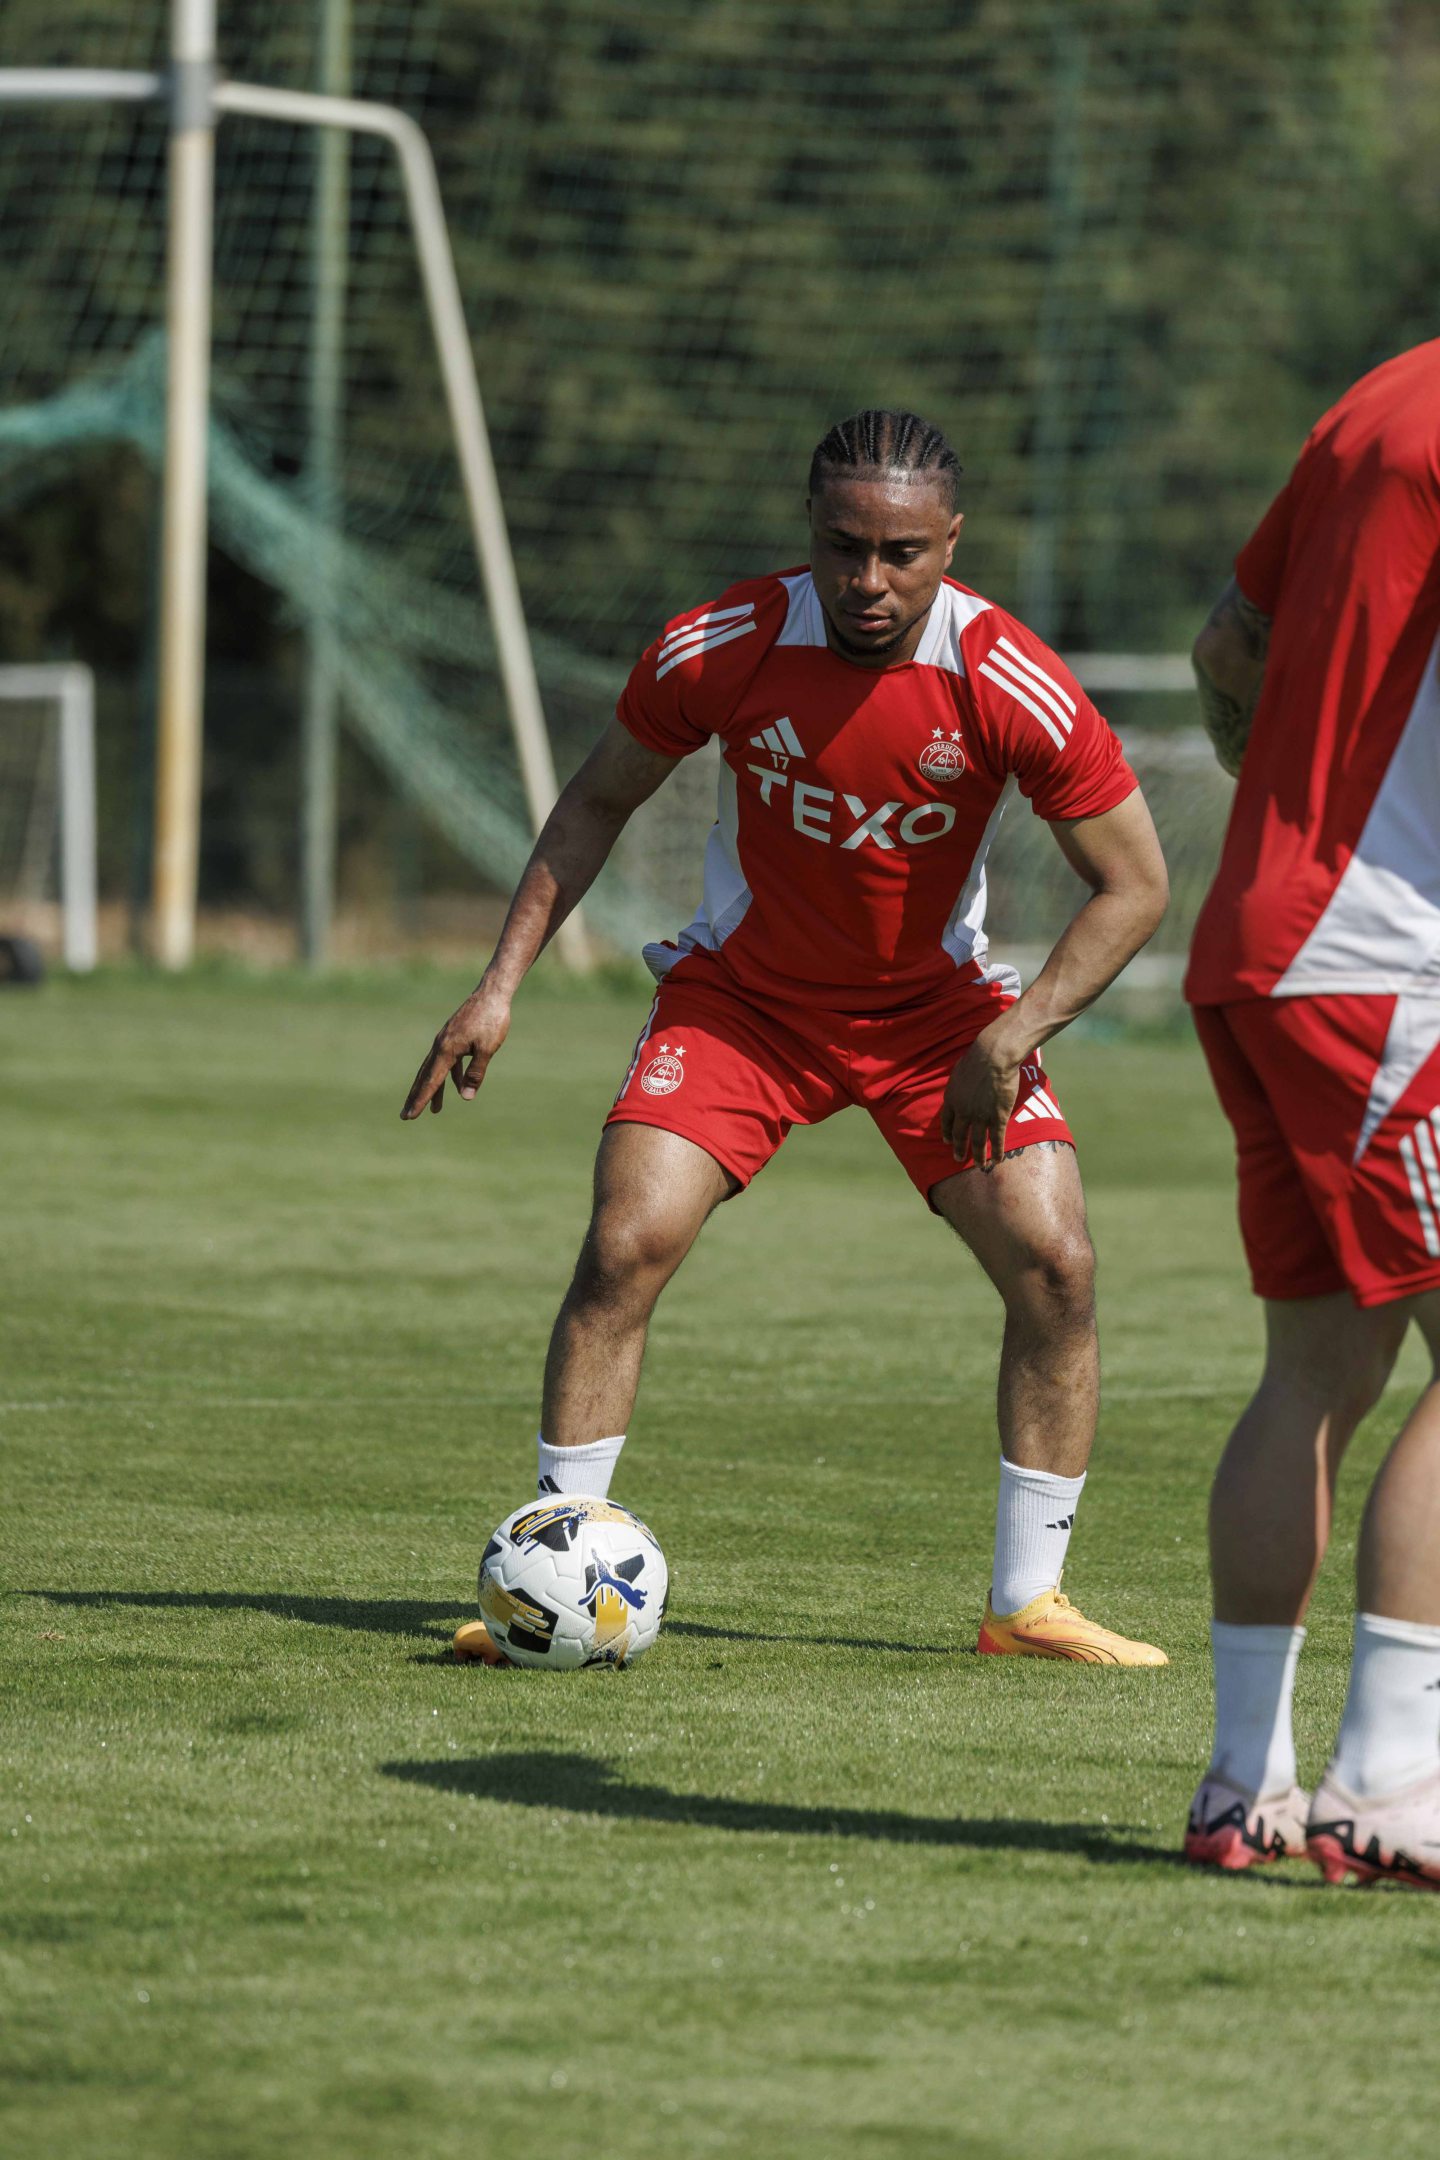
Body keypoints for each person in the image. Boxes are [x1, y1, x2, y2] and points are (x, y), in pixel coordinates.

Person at [404, 408, 1170, 1668]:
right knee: (624, 1243)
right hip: (746, 1004)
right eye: (842, 546)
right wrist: (500, 984)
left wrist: (1017, 1034)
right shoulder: (725, 643)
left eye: (903, 554)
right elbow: (597, 798)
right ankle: (550, 1583)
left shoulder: (1007, 678)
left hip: (939, 1022)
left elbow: (1135, 883)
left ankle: (1026, 1607)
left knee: (1058, 1266)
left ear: (952, 543)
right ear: (809, 531)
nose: (869, 582)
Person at [1182, 341, 1440, 1888]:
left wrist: (1294, 808)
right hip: (1384, 961)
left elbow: (1229, 651)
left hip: (1262, 942)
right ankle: (1389, 1782)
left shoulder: (1382, 395)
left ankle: (1244, 1787)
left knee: (1320, 1368)